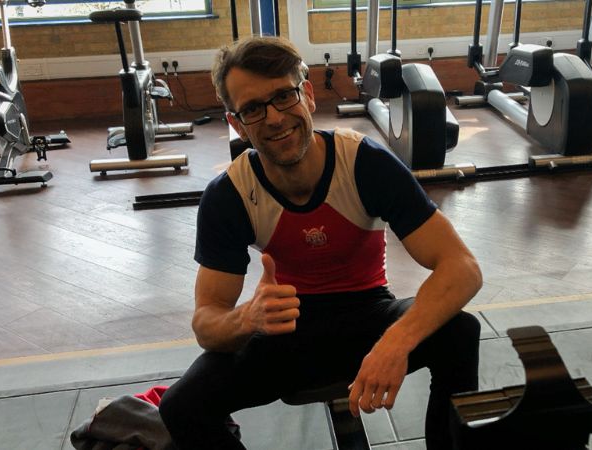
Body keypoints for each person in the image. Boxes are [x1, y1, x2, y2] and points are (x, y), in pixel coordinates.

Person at [158, 35, 482, 450]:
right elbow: (206, 321)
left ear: (307, 95)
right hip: (286, 332)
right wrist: (247, 319)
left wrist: (395, 343)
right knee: (181, 406)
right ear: (236, 123)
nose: (275, 118)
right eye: (254, 109)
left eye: (283, 96)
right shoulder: (229, 195)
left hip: (370, 314)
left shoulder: (364, 163)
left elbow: (463, 268)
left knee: (459, 332)